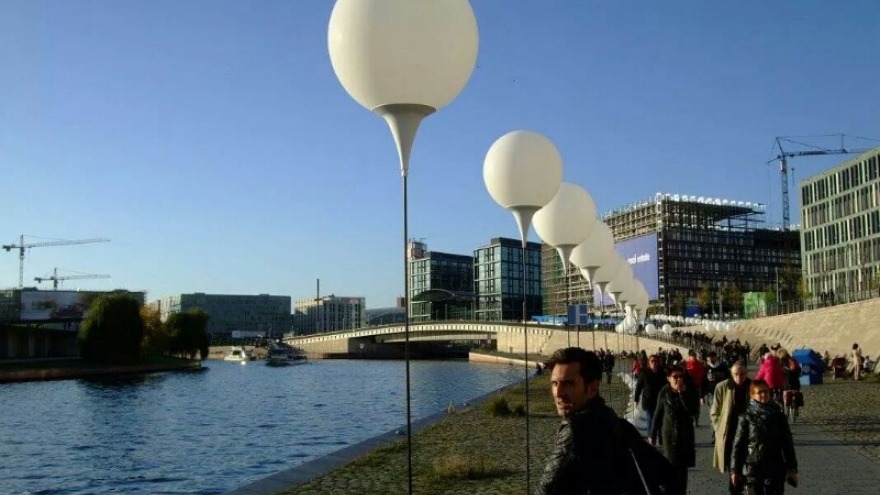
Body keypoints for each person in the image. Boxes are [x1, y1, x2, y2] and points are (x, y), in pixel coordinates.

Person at [536, 347, 622, 495]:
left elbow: (547, 488)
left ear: (592, 388)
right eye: (554, 383)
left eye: (568, 384)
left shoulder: (576, 429)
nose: (558, 393)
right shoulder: (609, 415)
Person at [731, 380, 799, 494]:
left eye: (766, 391)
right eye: (760, 392)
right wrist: (735, 470)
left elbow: (787, 443)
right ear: (752, 395)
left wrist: (792, 469)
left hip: (775, 465)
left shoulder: (778, 415)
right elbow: (738, 445)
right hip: (754, 466)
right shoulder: (747, 416)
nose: (764, 394)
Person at [648, 365, 698, 495]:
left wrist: (682, 395)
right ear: (668, 378)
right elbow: (658, 414)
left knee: (682, 471)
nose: (679, 379)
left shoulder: (689, 390)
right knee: (670, 468)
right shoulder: (664, 393)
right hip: (670, 436)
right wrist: (652, 433)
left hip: (685, 436)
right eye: (675, 377)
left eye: (681, 376)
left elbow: (693, 411)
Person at [711, 361, 752, 494]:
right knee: (733, 470)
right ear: (731, 373)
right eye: (736, 374)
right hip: (729, 433)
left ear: (747, 373)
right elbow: (714, 412)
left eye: (742, 374)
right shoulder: (722, 387)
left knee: (749, 467)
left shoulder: (753, 386)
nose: (739, 377)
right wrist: (720, 428)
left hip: (749, 433)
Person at [634, 354, 668, 435]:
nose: (654, 363)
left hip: (659, 400)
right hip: (648, 401)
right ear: (649, 362)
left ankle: (660, 436)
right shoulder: (644, 373)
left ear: (658, 363)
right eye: (652, 361)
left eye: (656, 361)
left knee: (659, 420)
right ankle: (651, 436)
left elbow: (667, 387)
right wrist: (636, 400)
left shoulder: (662, 373)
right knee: (650, 419)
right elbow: (639, 387)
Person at [685, 350, 706, 426]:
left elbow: (703, 375)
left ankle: (696, 420)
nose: (693, 357)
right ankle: (691, 418)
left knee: (697, 404)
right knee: (689, 403)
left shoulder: (700, 364)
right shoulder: (686, 364)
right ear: (690, 357)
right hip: (688, 387)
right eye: (692, 356)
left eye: (694, 356)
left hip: (697, 386)